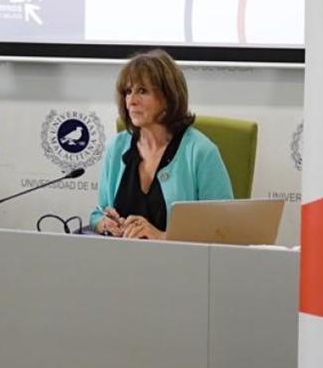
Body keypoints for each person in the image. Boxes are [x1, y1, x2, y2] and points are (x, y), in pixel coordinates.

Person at [89, 49, 232, 239]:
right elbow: (99, 212)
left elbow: (224, 230)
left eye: (142, 91)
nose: (131, 101)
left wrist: (162, 237)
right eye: (128, 92)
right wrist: (104, 223)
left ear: (168, 97)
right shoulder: (116, 147)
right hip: (121, 261)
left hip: (181, 264)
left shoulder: (201, 152)